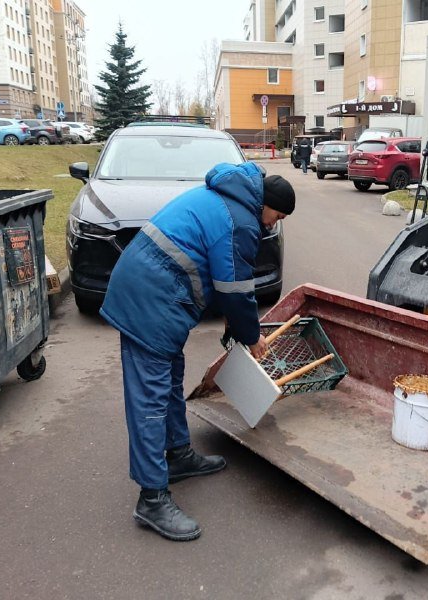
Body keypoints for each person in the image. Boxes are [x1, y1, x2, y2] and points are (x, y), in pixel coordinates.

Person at [100, 162, 296, 542]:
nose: (276, 223)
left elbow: (220, 273)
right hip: (149, 297)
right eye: (278, 216)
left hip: (157, 290)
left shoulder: (230, 200)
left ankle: (177, 455)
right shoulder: (241, 221)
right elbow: (237, 290)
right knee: (150, 399)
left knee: (171, 374)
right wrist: (251, 336)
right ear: (266, 204)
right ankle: (152, 498)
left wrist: (232, 320)